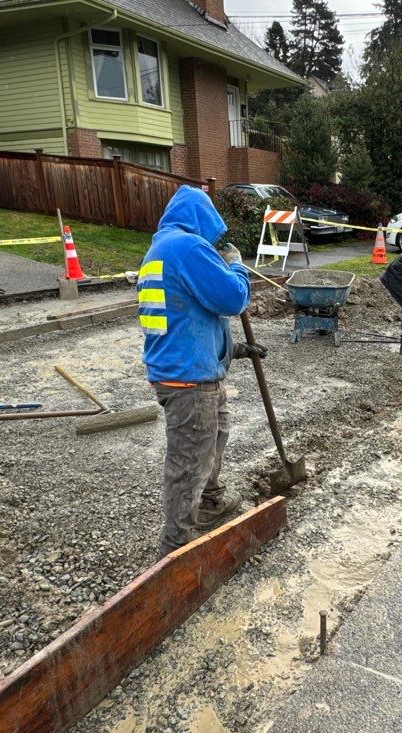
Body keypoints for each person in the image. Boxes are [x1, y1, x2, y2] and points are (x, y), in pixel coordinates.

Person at [137, 185, 265, 557]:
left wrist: (233, 350)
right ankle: (175, 546)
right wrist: (237, 265)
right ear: (201, 220)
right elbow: (231, 298)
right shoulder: (188, 248)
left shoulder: (159, 250)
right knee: (189, 462)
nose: (217, 239)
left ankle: (209, 502)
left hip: (186, 370)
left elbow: (186, 319)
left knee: (216, 435)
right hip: (189, 381)